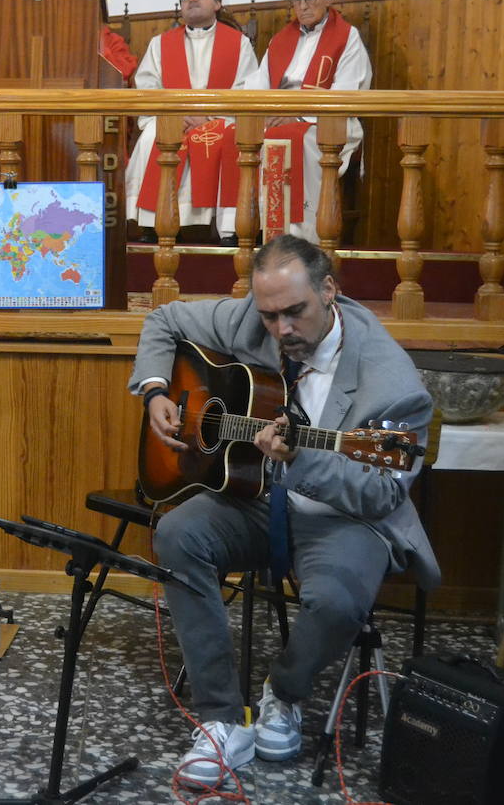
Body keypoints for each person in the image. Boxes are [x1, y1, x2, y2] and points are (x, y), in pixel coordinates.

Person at [128, 235, 438, 788]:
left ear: (329, 291)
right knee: (178, 534)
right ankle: (222, 720)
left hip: (342, 514)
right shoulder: (254, 319)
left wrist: (302, 461)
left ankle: (285, 692)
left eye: (295, 312)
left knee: (339, 600)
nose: (281, 330)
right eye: (270, 316)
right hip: (258, 498)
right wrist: (155, 391)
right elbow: (164, 320)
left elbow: (382, 493)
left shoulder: (391, 379)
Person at [125, 0, 257, 243]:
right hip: (172, 117)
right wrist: (175, 113)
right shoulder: (160, 44)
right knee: (153, 136)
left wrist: (209, 115)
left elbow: (248, 88)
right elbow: (148, 88)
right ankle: (153, 223)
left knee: (232, 138)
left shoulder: (238, 43)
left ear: (217, 2)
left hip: (221, 117)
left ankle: (229, 227)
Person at [247, 0, 373, 243]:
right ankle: (257, 229)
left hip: (325, 119)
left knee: (298, 139)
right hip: (278, 115)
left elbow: (348, 90)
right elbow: (258, 84)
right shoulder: (281, 39)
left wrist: (299, 114)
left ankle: (303, 238)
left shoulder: (347, 37)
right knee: (241, 136)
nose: (302, 5)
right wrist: (268, 112)